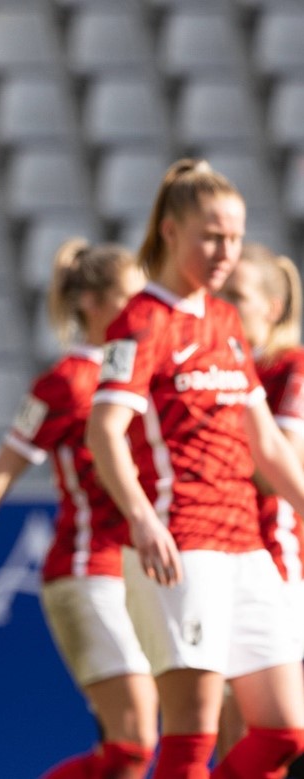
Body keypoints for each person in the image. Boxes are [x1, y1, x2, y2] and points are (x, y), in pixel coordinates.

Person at [86, 158, 304, 778]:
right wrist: (142, 521)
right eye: (212, 236)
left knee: (285, 730)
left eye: (234, 237)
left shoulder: (227, 322)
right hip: (179, 542)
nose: (225, 251)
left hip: (245, 542)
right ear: (171, 231)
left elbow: (265, 442)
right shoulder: (140, 322)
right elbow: (105, 430)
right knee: (193, 736)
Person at [0, 239, 155, 779]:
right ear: (92, 302)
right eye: (131, 299)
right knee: (134, 742)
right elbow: (0, 472)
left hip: (145, 576)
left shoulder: (142, 373)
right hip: (89, 571)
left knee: (129, 756)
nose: (143, 313)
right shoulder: (66, 382)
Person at [216, 243, 304, 775]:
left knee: (270, 733)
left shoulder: (290, 368)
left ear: (270, 307)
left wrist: (210, 445)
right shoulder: (213, 366)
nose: (223, 306)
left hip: (275, 566)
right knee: (225, 729)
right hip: (213, 557)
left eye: (237, 296)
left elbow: (282, 469)